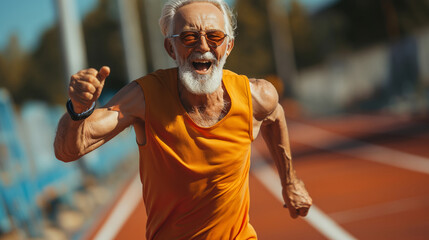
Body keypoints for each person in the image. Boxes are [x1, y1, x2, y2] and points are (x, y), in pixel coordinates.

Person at [54, 0, 312, 239]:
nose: (202, 46)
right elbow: (69, 150)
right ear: (170, 47)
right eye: (188, 37)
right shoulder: (144, 97)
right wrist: (78, 109)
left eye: (214, 36)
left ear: (228, 45)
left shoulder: (256, 96)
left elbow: (275, 114)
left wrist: (291, 182)